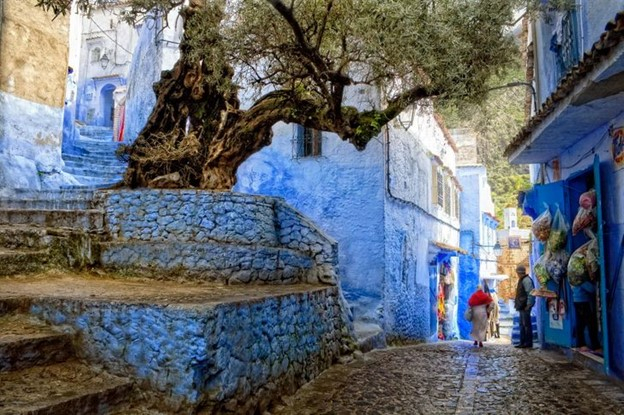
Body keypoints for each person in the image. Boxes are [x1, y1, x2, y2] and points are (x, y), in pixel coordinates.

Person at [571, 281, 600, 352]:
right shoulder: (581, 279)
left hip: (576, 300)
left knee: (580, 323)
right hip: (584, 301)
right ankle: (595, 346)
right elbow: (592, 289)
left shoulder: (573, 278)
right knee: (591, 324)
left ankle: (580, 344)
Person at [514, 265, 535, 348]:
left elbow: (530, 293)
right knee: (522, 325)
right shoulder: (522, 280)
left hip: (525, 306)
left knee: (526, 325)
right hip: (522, 306)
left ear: (519, 273)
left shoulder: (526, 280)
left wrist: (529, 304)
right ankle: (522, 342)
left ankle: (528, 343)